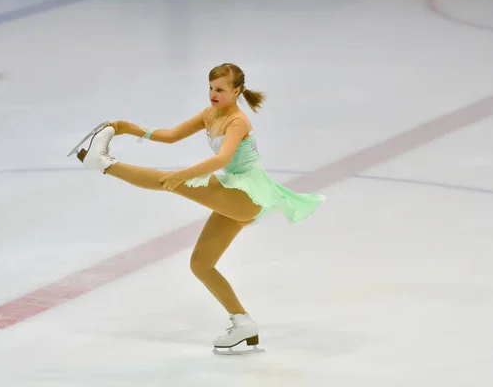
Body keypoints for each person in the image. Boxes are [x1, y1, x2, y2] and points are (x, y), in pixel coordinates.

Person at [73, 63, 326, 353]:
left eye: (220, 89)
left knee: (168, 181)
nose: (213, 94)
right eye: (210, 88)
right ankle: (243, 323)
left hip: (247, 193)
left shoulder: (237, 121)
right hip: (236, 193)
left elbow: (222, 159)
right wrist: (126, 128)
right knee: (201, 264)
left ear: (237, 91)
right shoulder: (210, 114)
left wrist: (183, 175)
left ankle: (103, 163)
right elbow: (170, 135)